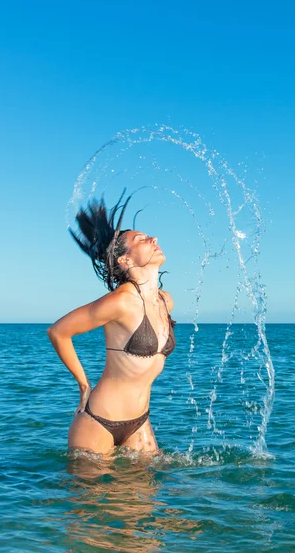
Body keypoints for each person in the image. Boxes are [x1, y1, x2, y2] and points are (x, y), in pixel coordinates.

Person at [47, 189, 177, 456]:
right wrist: (84, 385)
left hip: (140, 422)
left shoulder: (166, 301)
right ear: (125, 260)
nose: (153, 238)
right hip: (98, 422)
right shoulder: (121, 301)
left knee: (152, 497)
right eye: (141, 239)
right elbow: (59, 331)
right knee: (89, 498)